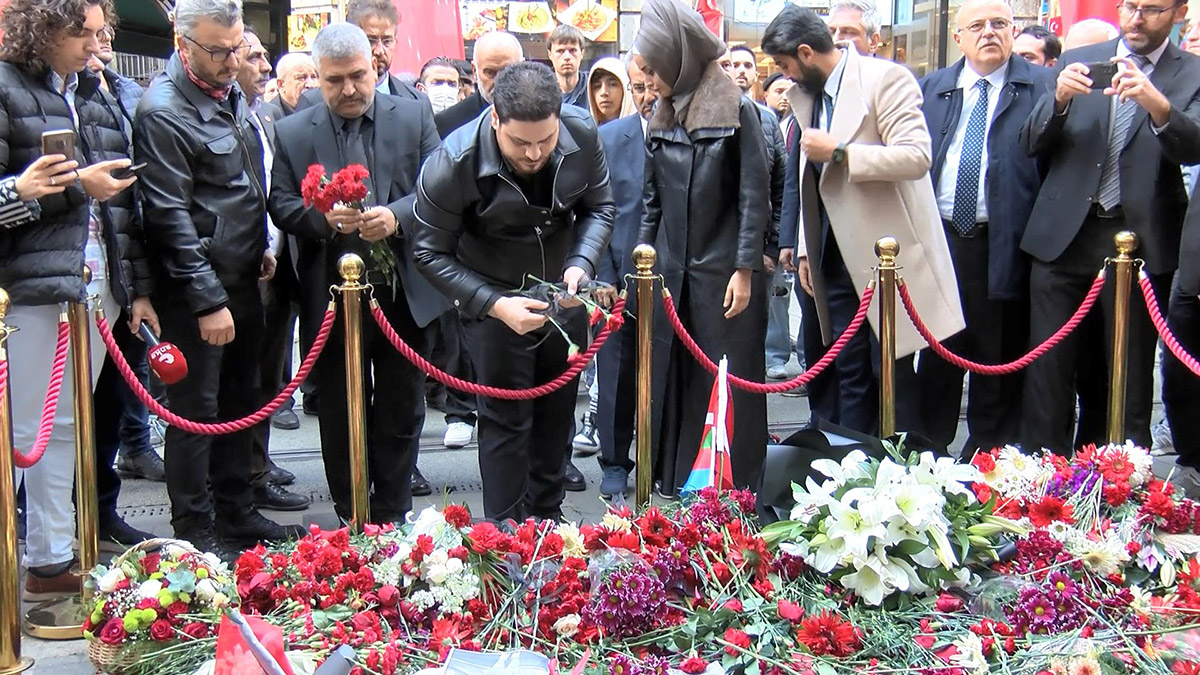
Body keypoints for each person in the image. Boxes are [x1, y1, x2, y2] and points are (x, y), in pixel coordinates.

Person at [135, 0, 304, 561]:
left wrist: (259, 246)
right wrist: (207, 301)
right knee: (195, 411)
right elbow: (169, 218)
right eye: (219, 51)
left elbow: (239, 183)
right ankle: (194, 524)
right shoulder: (163, 109)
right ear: (184, 47)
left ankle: (237, 509)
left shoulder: (226, 90)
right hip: (195, 291)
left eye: (238, 47)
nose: (234, 60)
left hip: (242, 274)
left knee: (242, 398)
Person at [413, 61, 615, 521]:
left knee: (558, 412)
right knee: (504, 422)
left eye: (545, 140)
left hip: (566, 293)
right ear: (495, 118)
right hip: (493, 296)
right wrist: (495, 304)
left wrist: (581, 264)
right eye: (521, 142)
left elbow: (600, 206)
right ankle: (505, 531)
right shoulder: (454, 160)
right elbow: (427, 252)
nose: (534, 153)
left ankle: (548, 518)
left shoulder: (581, 132)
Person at [0, 0, 155, 596]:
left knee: (62, 427)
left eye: (101, 32)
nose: (97, 44)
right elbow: (31, 195)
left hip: (91, 287)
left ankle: (49, 557)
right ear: (44, 29)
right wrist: (29, 190)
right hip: (31, 294)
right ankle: (44, 556)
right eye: (85, 33)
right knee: (25, 433)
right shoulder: (8, 86)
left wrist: (132, 289)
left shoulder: (92, 89)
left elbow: (121, 207)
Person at [271, 23, 444, 523]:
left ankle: (392, 511)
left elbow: (438, 186)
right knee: (340, 407)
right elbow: (281, 201)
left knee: (402, 402)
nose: (348, 90)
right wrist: (320, 220)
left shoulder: (413, 115)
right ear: (317, 80)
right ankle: (352, 512)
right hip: (330, 295)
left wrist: (398, 216)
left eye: (357, 76)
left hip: (402, 288)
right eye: (334, 81)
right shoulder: (292, 130)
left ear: (374, 66)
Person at [764, 5, 963, 435]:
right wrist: (803, 250)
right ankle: (852, 471)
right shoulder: (806, 96)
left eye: (785, 66)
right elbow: (807, 181)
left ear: (806, 53)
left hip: (887, 260)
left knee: (890, 370)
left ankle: (904, 470)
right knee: (849, 372)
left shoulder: (885, 79)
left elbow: (916, 156)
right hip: (831, 259)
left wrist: (841, 152)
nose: (785, 77)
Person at [1019, 0, 1200, 453]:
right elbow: (1031, 142)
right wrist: (1058, 99)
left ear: (1179, 14)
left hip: (1138, 241)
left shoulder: (1191, 73)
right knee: (1049, 372)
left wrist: (1154, 102)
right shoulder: (1082, 59)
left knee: (1125, 379)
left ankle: (1116, 487)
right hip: (1064, 237)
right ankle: (1042, 483)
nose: (1137, 18)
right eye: (1130, 6)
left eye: (1152, 9)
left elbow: (1193, 147)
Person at [634, 0, 770, 497]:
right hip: (671, 271)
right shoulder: (661, 113)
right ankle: (674, 476)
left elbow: (754, 197)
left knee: (725, 377)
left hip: (721, 273)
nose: (648, 79)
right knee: (675, 373)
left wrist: (744, 269)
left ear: (680, 57)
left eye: (653, 66)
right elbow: (650, 203)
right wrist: (642, 265)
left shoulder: (739, 111)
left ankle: (731, 486)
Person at [915, 0, 1054, 453]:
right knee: (937, 361)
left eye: (999, 23)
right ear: (958, 36)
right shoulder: (932, 88)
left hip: (1005, 245)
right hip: (941, 245)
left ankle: (989, 466)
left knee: (998, 362)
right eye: (977, 25)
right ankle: (926, 462)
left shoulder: (1040, 87)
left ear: (1014, 31)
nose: (989, 32)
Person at [236, 24, 311, 513]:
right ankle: (243, 477)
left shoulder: (256, 119)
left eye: (266, 56)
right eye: (254, 56)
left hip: (274, 261)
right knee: (243, 382)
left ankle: (256, 466)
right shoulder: (239, 115)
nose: (263, 65)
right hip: (237, 270)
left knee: (265, 376)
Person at [594, 55, 658, 498]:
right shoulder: (609, 137)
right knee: (616, 375)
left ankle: (663, 457)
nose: (647, 96)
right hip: (616, 278)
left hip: (671, 282)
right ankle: (615, 461)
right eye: (638, 88)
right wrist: (601, 274)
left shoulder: (687, 134)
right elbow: (596, 210)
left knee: (666, 376)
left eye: (655, 86)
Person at [297, 0, 428, 110]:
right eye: (371, 40)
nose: (379, 51)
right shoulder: (312, 103)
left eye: (387, 41)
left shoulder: (417, 102)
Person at [435, 31, 522, 138]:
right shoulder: (449, 123)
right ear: (474, 70)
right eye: (490, 72)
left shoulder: (543, 115)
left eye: (508, 71)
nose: (500, 81)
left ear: (522, 67)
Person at [548, 24, 588, 110]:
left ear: (582, 53)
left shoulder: (593, 87)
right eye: (560, 51)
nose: (567, 57)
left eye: (572, 50)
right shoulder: (541, 90)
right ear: (550, 54)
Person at [267, 52, 318, 118]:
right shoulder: (268, 117)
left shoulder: (324, 110)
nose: (311, 85)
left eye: (314, 77)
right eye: (301, 77)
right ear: (281, 84)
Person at [586, 57, 634, 124]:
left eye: (612, 84)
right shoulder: (586, 133)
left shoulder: (643, 131)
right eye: (597, 86)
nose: (604, 92)